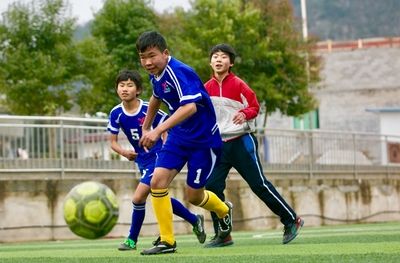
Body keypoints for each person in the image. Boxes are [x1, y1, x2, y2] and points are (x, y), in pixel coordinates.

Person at [135, 31, 233, 255]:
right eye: (143, 57)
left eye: (152, 56)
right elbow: (156, 96)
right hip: (179, 137)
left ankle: (223, 210)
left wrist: (159, 129)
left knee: (194, 196)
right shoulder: (156, 73)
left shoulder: (180, 72)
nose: (148, 62)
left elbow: (190, 108)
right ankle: (167, 241)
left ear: (165, 53)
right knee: (157, 182)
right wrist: (146, 126)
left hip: (203, 141)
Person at [204, 43, 304, 247]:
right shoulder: (206, 88)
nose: (219, 59)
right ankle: (223, 234)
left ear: (230, 62)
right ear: (210, 62)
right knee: (212, 187)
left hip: (242, 141)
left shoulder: (239, 84)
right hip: (219, 145)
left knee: (259, 185)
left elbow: (254, 106)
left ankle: (291, 220)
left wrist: (244, 113)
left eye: (223, 56)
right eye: (215, 56)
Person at [107, 69, 206, 251]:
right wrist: (124, 152)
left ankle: (131, 240)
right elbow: (112, 142)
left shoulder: (147, 108)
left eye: (130, 85)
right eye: (121, 85)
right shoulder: (116, 113)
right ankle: (194, 219)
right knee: (158, 193)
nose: (125, 89)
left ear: (138, 90)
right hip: (142, 160)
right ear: (116, 89)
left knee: (138, 198)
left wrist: (168, 145)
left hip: (158, 155)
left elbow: (168, 124)